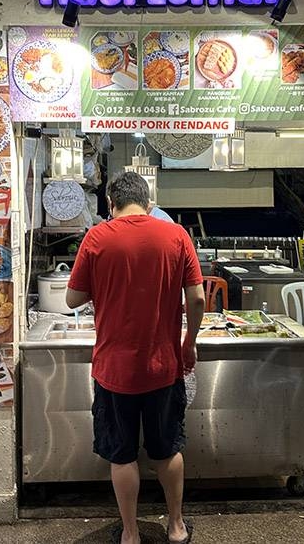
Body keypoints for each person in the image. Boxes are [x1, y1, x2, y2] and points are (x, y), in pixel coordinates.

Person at [66, 171, 204, 544]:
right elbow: (197, 299)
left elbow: (72, 299)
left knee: (122, 454)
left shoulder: (97, 238)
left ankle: (130, 534)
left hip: (113, 371)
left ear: (112, 204)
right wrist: (188, 342)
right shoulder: (176, 235)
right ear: (149, 203)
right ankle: (176, 527)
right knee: (167, 449)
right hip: (163, 367)